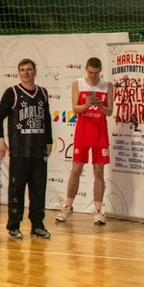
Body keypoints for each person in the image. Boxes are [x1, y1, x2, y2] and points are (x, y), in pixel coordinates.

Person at [0, 58, 53, 240]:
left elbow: (47, 118)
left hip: (38, 150)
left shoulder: (42, 93)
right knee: (17, 189)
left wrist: (49, 140)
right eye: (22, 70)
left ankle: (37, 225)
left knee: (38, 189)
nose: (26, 73)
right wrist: (0, 139)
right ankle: (14, 225)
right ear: (18, 72)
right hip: (19, 150)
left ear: (35, 71)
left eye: (29, 69)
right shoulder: (12, 92)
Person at [57, 57, 115, 226]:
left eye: (96, 73)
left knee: (98, 171)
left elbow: (109, 111)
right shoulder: (78, 83)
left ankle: (98, 211)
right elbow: (75, 108)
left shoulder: (107, 86)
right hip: (82, 132)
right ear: (85, 69)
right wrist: (87, 105)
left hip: (99, 133)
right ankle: (67, 207)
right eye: (90, 72)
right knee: (76, 169)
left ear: (100, 71)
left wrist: (100, 106)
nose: (93, 76)